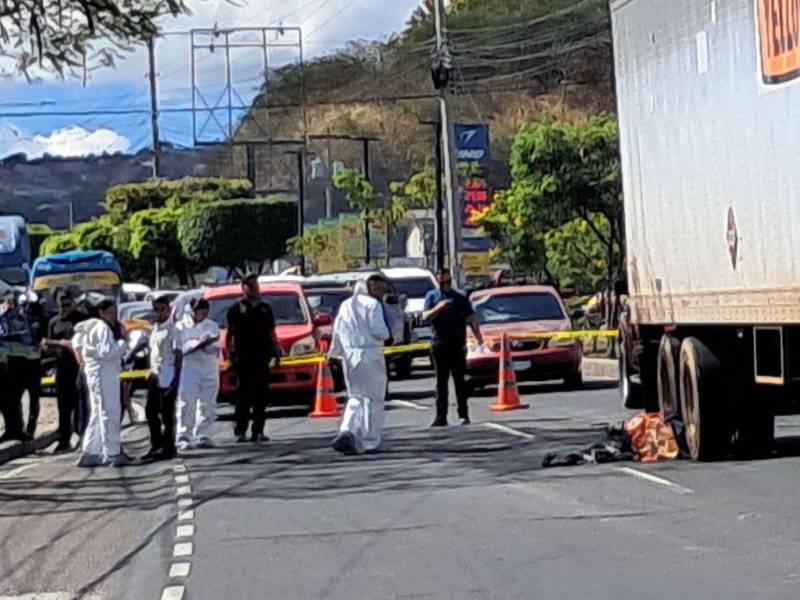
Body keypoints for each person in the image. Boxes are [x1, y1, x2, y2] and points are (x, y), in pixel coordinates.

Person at [329, 275, 391, 455]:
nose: (381, 293)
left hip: (349, 357)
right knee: (374, 399)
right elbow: (380, 332)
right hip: (370, 355)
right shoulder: (372, 305)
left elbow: (337, 332)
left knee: (356, 396)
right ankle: (369, 439)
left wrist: (333, 353)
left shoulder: (346, 305)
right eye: (378, 289)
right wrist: (388, 333)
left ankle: (347, 430)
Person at [422, 268, 484, 427]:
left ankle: (464, 414)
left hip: (457, 344)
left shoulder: (460, 298)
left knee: (459, 381)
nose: (446, 285)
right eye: (443, 282)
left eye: (448, 282)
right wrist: (439, 308)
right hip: (439, 344)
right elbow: (425, 317)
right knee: (441, 383)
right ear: (438, 282)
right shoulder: (432, 296)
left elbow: (471, 318)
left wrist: (478, 337)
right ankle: (440, 417)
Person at [73, 299, 129, 467]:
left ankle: (91, 450)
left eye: (115, 312)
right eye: (110, 312)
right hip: (105, 372)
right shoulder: (103, 328)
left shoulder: (88, 328)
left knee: (98, 412)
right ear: (101, 312)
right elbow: (107, 352)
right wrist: (123, 343)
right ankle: (112, 452)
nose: (113, 316)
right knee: (109, 411)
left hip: (95, 373)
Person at [226, 274, 279, 444]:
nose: (255, 287)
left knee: (261, 395)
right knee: (243, 395)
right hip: (243, 357)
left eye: (256, 284)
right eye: (251, 284)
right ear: (244, 287)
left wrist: (277, 350)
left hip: (261, 357)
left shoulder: (265, 308)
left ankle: (258, 431)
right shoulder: (236, 309)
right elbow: (230, 335)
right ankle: (240, 431)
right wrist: (230, 355)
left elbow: (272, 332)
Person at [41, 291, 87, 453]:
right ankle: (64, 440)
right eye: (62, 305)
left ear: (74, 303)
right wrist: (49, 345)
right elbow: (48, 342)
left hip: (79, 367)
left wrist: (62, 343)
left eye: (68, 305)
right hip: (62, 368)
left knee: (80, 405)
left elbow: (75, 343)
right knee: (63, 406)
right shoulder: (54, 321)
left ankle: (83, 436)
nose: (65, 308)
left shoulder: (82, 320)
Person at [175, 298, 220, 451]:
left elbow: (214, 348)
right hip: (189, 367)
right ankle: (184, 435)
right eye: (198, 310)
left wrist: (206, 343)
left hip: (209, 366)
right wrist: (197, 343)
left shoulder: (211, 326)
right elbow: (181, 348)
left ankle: (203, 434)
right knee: (187, 401)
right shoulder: (180, 327)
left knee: (208, 403)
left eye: (204, 311)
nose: (201, 313)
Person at [144, 295, 180, 460]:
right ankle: (156, 444)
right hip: (155, 374)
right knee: (151, 412)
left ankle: (169, 446)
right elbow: (152, 353)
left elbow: (178, 356)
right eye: (156, 310)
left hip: (169, 373)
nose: (159, 313)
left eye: (162, 310)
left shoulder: (173, 330)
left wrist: (176, 380)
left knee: (167, 413)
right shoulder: (154, 329)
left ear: (169, 309)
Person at [4, 293, 45, 439]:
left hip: (33, 364)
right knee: (14, 398)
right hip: (17, 364)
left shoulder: (38, 319)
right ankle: (17, 429)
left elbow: (38, 337)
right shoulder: (10, 319)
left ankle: (30, 429)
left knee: (34, 399)